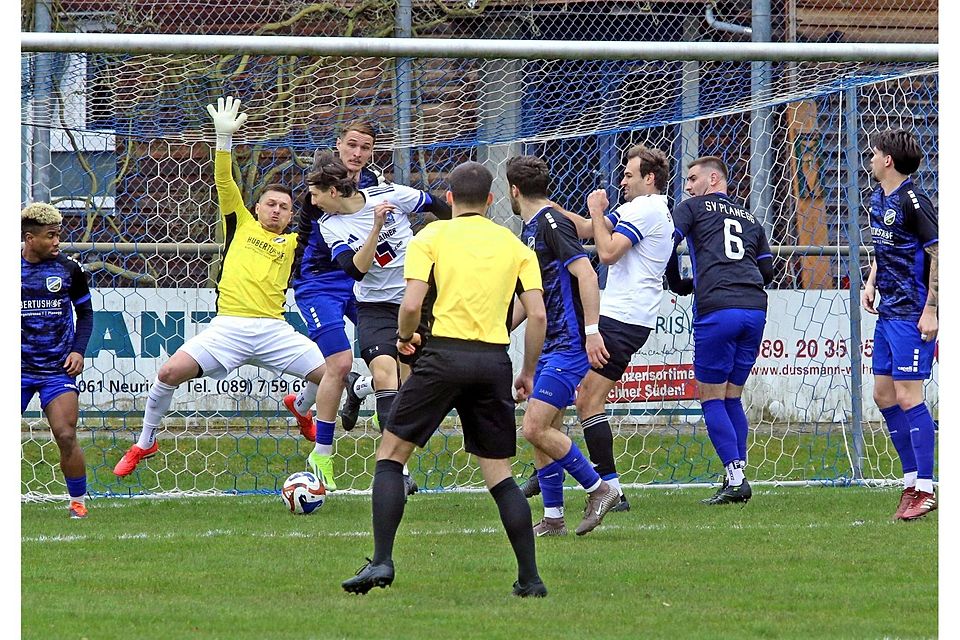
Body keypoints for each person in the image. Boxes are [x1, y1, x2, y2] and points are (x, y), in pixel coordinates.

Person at [341, 161, 549, 597]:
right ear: (492, 201)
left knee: (390, 456)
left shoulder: (430, 235)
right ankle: (530, 579)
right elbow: (538, 314)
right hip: (493, 362)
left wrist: (402, 339)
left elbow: (412, 304)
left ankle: (381, 561)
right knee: (500, 475)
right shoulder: (514, 244)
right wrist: (527, 370)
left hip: (442, 357)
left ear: (449, 198)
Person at [113, 96, 328, 477]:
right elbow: (224, 180)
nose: (277, 210)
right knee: (167, 374)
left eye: (284, 207)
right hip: (228, 328)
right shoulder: (240, 224)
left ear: (291, 214)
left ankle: (301, 407)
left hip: (274, 329)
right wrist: (223, 139)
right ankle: (145, 442)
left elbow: (322, 216)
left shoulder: (296, 243)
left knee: (332, 374)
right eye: (271, 204)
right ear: (257, 207)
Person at [527, 145, 675, 513]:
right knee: (578, 396)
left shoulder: (649, 208)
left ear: (649, 179)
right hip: (626, 317)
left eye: (629, 175)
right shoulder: (640, 209)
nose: (622, 180)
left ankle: (605, 486)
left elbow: (607, 253)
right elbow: (588, 230)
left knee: (586, 398)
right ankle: (552, 464)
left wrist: (596, 210)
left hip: (622, 318)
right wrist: (546, 208)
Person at [305, 153, 451, 496]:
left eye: (316, 194)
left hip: (415, 304)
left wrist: (444, 238)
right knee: (387, 375)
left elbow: (439, 207)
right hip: (374, 308)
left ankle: (358, 392)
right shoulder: (330, 225)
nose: (312, 201)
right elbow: (355, 269)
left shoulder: (391, 196)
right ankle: (395, 473)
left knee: (407, 385)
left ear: (334, 192)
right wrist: (374, 228)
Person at [506, 155, 620, 537]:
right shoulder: (535, 228)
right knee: (546, 427)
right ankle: (553, 517)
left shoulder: (551, 223)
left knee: (535, 427)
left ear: (514, 190)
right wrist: (498, 330)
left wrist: (591, 332)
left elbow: (586, 272)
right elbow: (530, 297)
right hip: (550, 343)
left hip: (568, 344)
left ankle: (600, 490)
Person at [281, 121, 383, 491]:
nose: (357, 153)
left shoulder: (376, 187)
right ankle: (322, 453)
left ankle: (354, 392)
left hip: (361, 281)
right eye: (352, 145)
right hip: (319, 282)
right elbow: (309, 235)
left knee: (397, 362)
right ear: (339, 145)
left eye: (366, 148)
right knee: (339, 363)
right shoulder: (318, 189)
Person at [665, 155, 773, 504]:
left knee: (710, 397)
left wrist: (677, 281)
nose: (687, 185)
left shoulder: (692, 208)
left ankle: (737, 478)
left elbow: (667, 240)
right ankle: (734, 476)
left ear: (714, 179)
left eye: (693, 177)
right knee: (731, 397)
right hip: (755, 309)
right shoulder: (752, 219)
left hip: (718, 311)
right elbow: (768, 272)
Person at [861, 129, 938, 521]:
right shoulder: (878, 199)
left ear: (888, 160)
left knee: (909, 397)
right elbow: (886, 246)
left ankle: (925, 488)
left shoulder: (914, 201)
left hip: (912, 313)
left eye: (874, 153)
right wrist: (871, 280)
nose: (870, 158)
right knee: (883, 395)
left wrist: (932, 309)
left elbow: (938, 251)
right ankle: (910, 483)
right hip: (888, 311)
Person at [21, 202, 94, 518]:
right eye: (50, 236)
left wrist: (78, 349)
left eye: (58, 235)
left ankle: (78, 501)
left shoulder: (68, 269)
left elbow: (86, 314)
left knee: (65, 434)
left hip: (56, 370)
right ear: (29, 238)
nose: (56, 242)